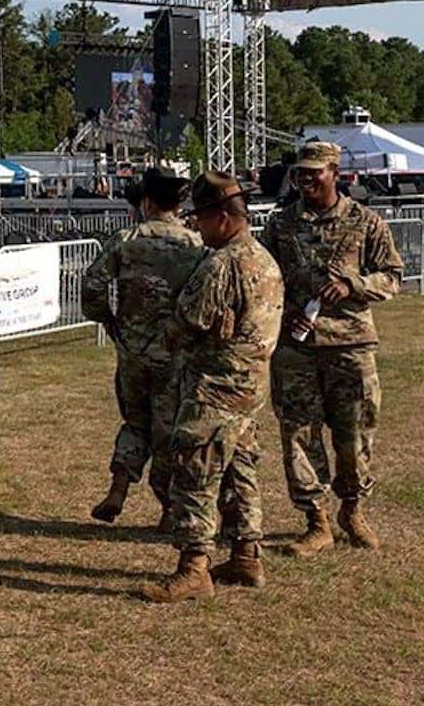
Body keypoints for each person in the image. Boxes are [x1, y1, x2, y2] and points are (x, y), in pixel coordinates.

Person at [142, 172, 283, 604]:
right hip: (249, 384)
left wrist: (155, 336)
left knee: (195, 472)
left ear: (223, 217)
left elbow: (187, 322)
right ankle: (246, 554)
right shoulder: (262, 258)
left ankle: (193, 568)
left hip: (215, 388)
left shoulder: (222, 264)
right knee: (240, 467)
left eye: (200, 218)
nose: (196, 227)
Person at [260, 141, 404, 555]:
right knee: (299, 434)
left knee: (355, 434)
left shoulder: (365, 222)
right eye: (300, 172)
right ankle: (316, 520)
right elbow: (263, 276)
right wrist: (282, 312)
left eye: (313, 171)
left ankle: (352, 509)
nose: (305, 178)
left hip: (350, 344)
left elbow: (392, 276)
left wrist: (353, 285)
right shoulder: (281, 225)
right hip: (296, 347)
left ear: (334, 172)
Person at [81, 165, 205, 530]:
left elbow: (91, 287)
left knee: (135, 421)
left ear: (147, 201)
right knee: (168, 430)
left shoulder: (126, 239)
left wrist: (110, 320)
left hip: (132, 350)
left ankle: (119, 487)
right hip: (174, 352)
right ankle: (167, 507)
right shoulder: (194, 245)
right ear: (178, 204)